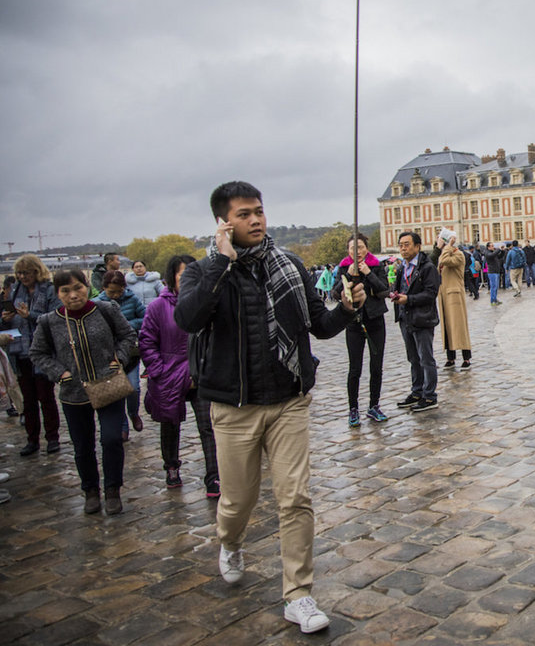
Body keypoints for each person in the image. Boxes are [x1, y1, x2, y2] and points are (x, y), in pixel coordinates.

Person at [174, 181, 365, 634]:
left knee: (295, 497)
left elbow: (317, 325)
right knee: (239, 499)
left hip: (288, 401)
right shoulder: (204, 272)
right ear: (223, 222)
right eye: (243, 214)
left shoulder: (289, 264)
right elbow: (189, 319)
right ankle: (230, 540)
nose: (256, 219)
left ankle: (298, 594)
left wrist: (346, 306)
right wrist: (222, 262)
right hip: (233, 407)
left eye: (259, 211)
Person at [30, 268, 137, 515]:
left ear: (87, 286)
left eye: (77, 288)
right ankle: (90, 490)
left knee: (111, 438)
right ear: (58, 294)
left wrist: (118, 358)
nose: (73, 295)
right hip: (74, 393)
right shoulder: (49, 321)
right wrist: (60, 373)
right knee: (83, 445)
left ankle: (112, 489)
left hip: (108, 385)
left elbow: (127, 336)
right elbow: (38, 353)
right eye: (65, 291)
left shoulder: (106, 310)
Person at [140, 255, 220, 494]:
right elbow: (146, 341)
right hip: (169, 374)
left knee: (209, 426)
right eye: (181, 273)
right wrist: (159, 370)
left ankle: (214, 477)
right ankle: (172, 466)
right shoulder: (158, 306)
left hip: (200, 374)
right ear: (171, 276)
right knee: (170, 424)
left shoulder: (206, 304)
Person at [2, 255, 62, 455]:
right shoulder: (16, 290)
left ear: (36, 271)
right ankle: (32, 439)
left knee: (46, 396)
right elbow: (10, 321)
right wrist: (6, 319)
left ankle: (52, 437)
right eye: (19, 273)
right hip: (20, 349)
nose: (22, 276)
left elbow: (55, 317)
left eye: (25, 273)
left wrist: (31, 316)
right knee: (28, 399)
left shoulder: (49, 289)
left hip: (43, 350)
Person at [333, 233, 390, 425]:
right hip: (354, 323)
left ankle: (374, 405)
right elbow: (335, 293)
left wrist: (368, 273)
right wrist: (349, 275)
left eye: (360, 247)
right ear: (348, 251)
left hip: (375, 320)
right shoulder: (342, 267)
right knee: (354, 368)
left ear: (366, 247)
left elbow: (384, 290)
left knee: (376, 366)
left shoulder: (376, 265)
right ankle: (353, 409)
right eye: (352, 248)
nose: (357, 251)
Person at [391, 231, 441, 412]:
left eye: (407, 244)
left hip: (422, 319)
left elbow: (431, 293)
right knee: (413, 358)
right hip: (406, 319)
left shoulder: (427, 267)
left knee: (426, 358)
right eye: (401, 245)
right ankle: (417, 391)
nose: (403, 248)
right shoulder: (401, 268)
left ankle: (430, 396)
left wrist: (408, 299)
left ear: (418, 246)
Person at [93, 270, 146, 440]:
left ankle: (133, 413)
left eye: (119, 291)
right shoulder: (97, 304)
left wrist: (125, 324)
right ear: (104, 288)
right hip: (108, 355)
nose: (116, 295)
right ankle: (123, 427)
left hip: (130, 351)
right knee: (117, 392)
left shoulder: (132, 299)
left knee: (133, 387)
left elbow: (145, 317)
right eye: (111, 292)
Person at [436, 233, 473, 370]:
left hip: (454, 294)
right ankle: (450, 357)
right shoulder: (444, 254)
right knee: (447, 327)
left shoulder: (458, 255)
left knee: (459, 327)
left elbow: (445, 260)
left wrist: (448, 246)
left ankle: (466, 358)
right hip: (444, 295)